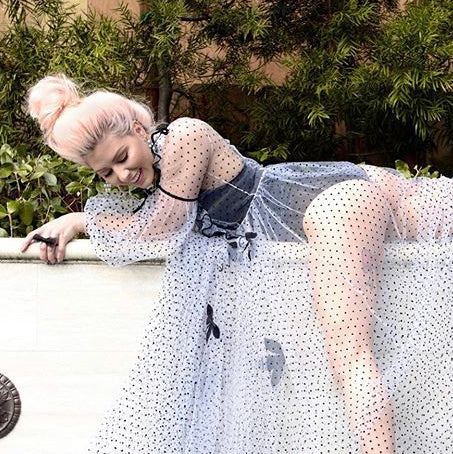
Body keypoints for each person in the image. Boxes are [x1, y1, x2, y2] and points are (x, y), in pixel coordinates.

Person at [20, 73, 452, 453]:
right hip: (326, 215)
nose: (122, 175)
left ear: (137, 127)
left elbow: (161, 227)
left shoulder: (185, 135)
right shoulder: (161, 170)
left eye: (121, 157)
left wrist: (79, 220)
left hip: (332, 201)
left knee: (350, 351)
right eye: (107, 175)